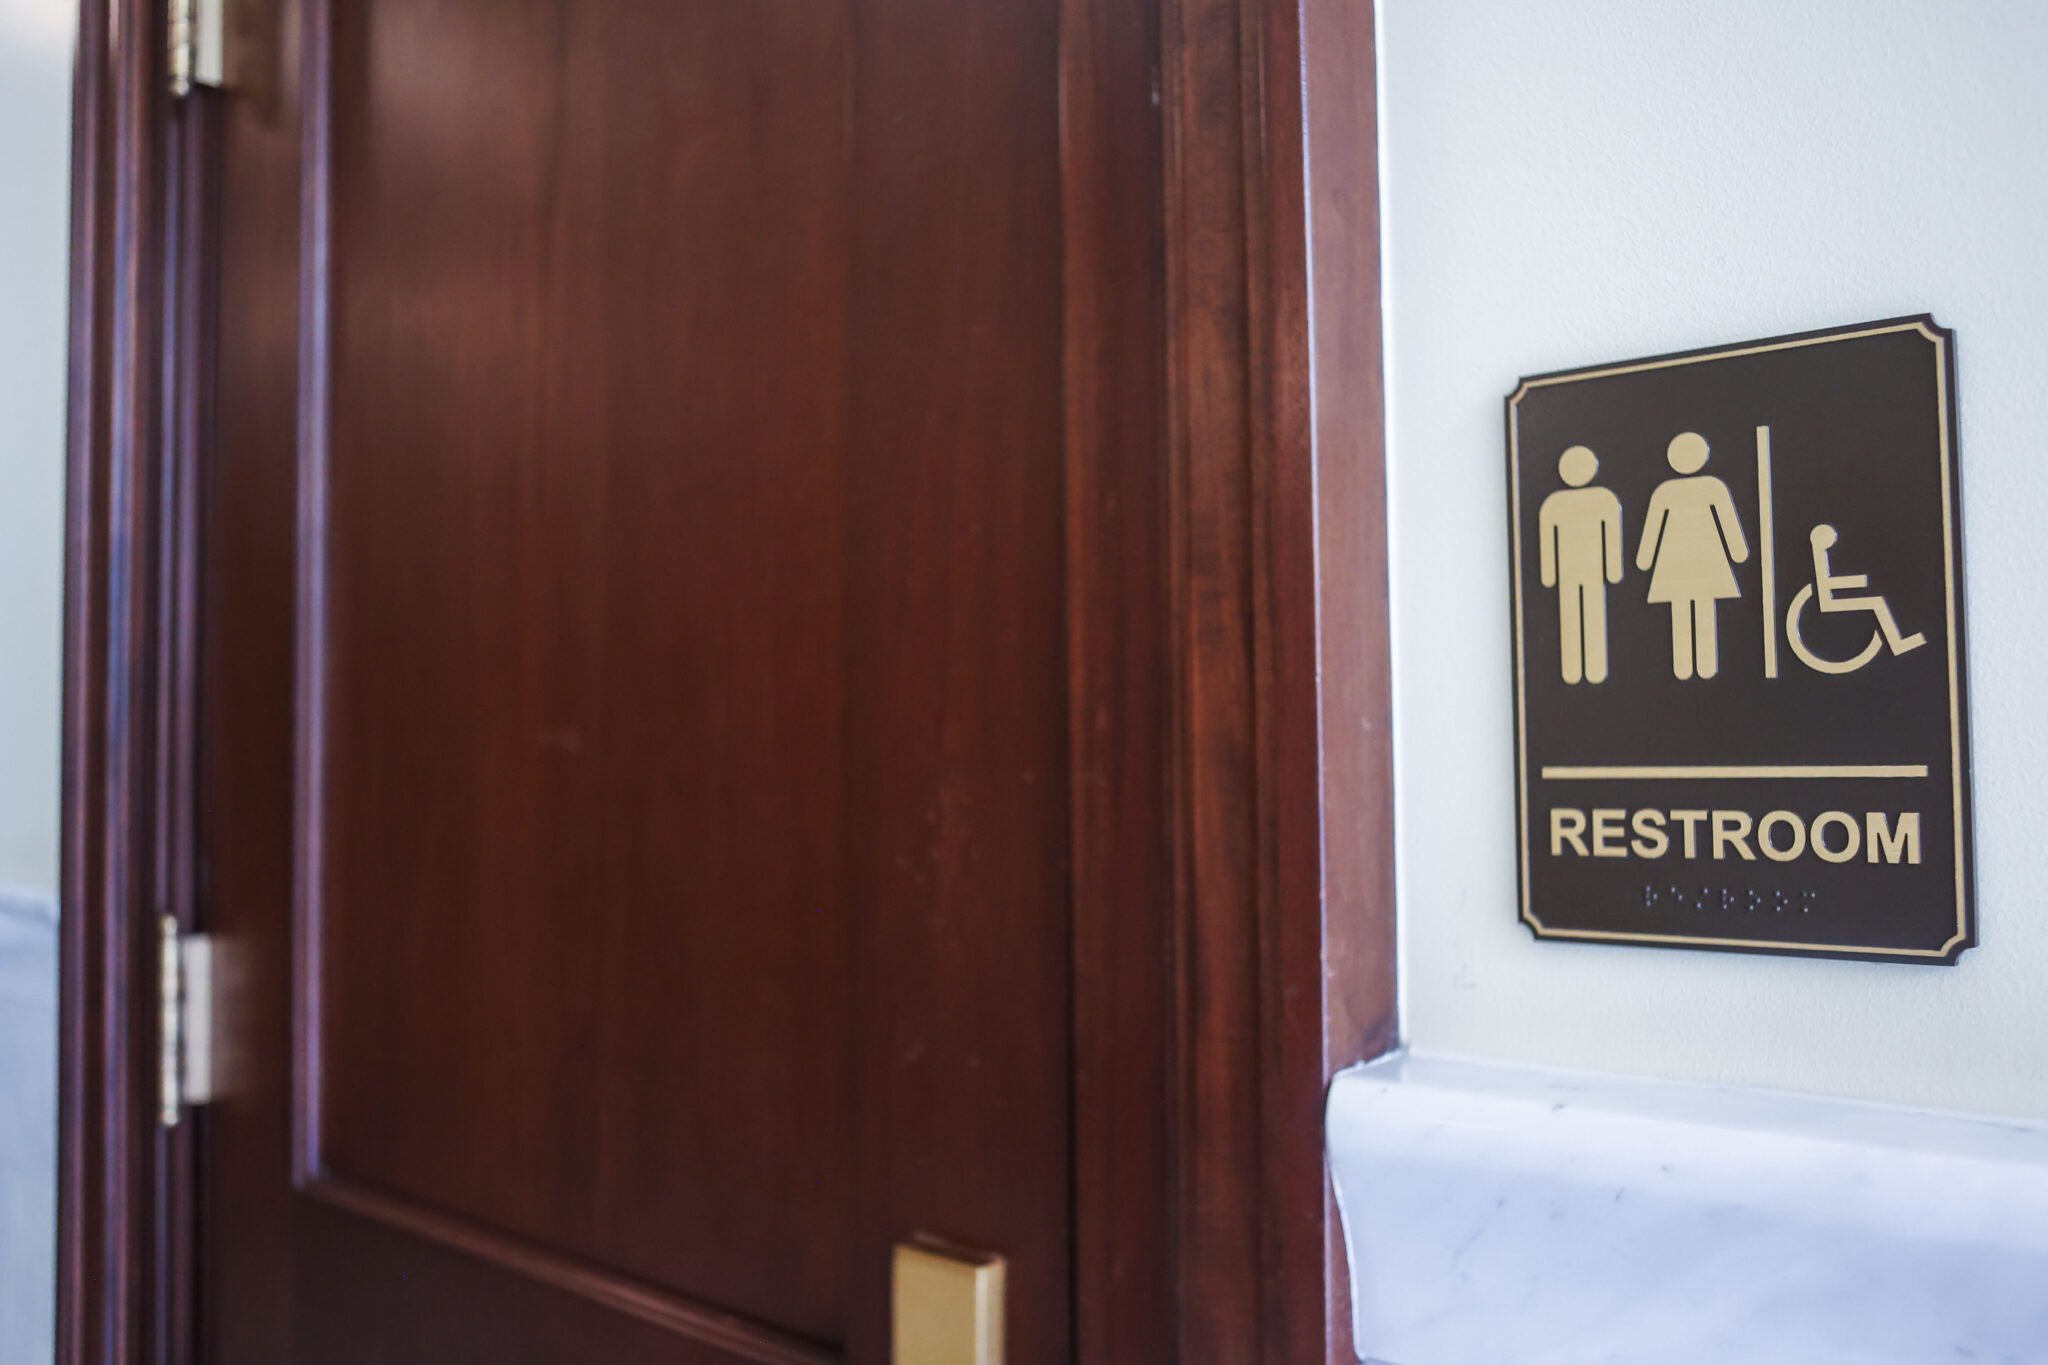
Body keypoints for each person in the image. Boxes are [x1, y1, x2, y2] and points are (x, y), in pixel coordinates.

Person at [1636, 431, 1748, 680]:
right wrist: (1738, 552)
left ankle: (1701, 664)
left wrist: (1645, 559)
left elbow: (1728, 521)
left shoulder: (1708, 487)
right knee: (1684, 608)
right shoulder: (1669, 491)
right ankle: (1687, 665)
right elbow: (1653, 526)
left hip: (1698, 558)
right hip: (1681, 559)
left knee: (1700, 607)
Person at [1538, 445, 1623, 684]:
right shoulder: (1554, 504)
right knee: (1572, 617)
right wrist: (1548, 574)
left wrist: (1613, 569)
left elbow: (1611, 537)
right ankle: (1575, 670)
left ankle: (1593, 668)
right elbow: (1548, 541)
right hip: (1571, 570)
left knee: (1589, 615)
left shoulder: (1603, 499)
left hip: (1590, 569)